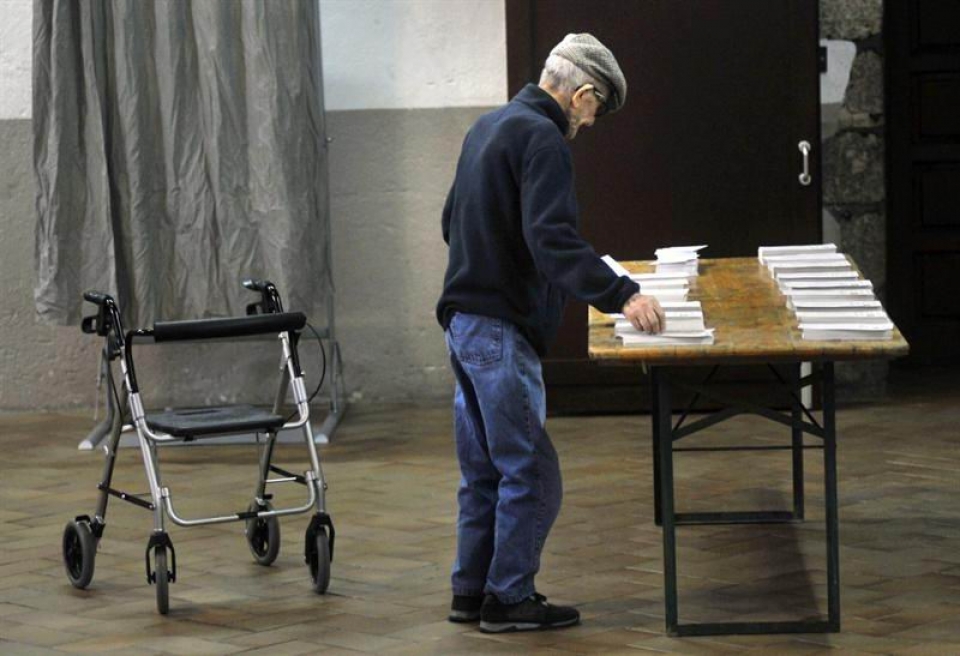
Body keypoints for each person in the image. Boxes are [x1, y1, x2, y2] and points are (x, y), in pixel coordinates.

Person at [436, 33, 665, 633]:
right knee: (532, 473)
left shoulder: (487, 127)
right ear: (582, 93)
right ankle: (508, 598)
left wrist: (495, 257)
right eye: (594, 111)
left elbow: (450, 220)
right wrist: (623, 294)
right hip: (498, 330)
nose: (587, 125)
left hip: (462, 324)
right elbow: (553, 240)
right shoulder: (543, 138)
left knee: (484, 472)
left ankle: (470, 591)